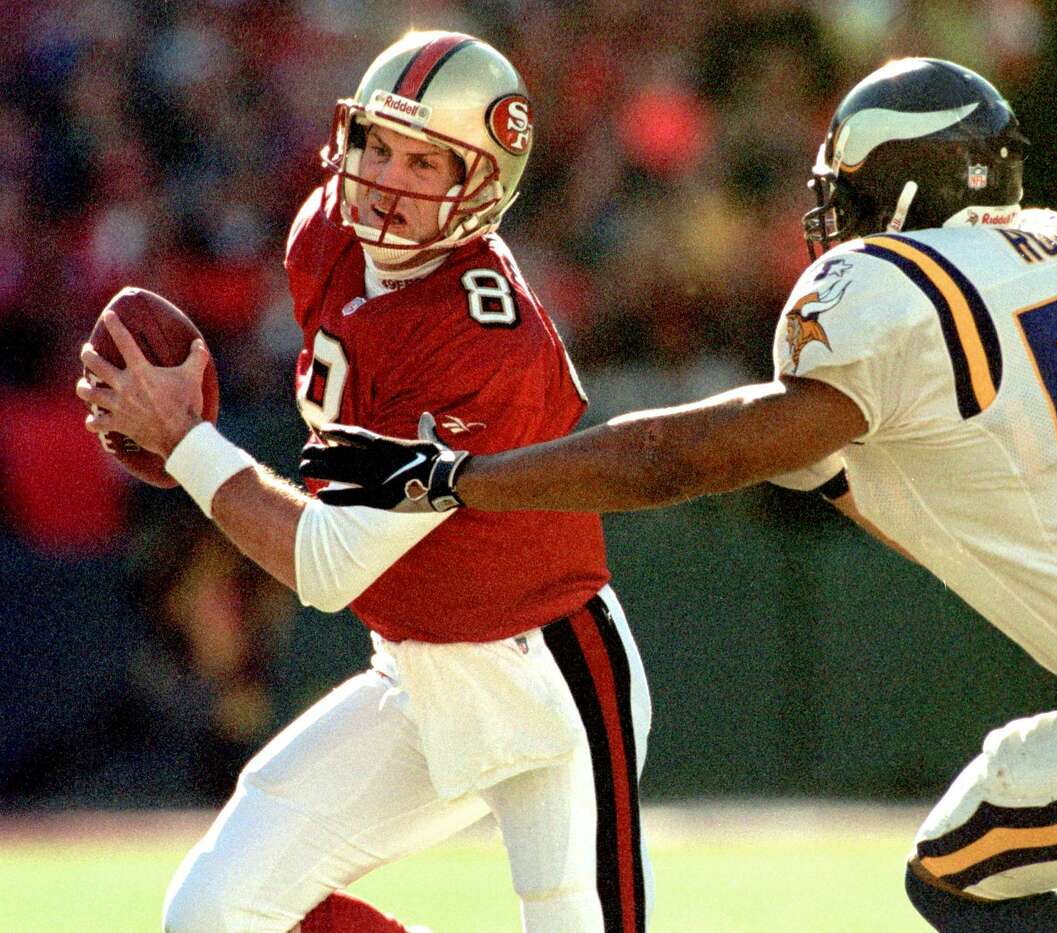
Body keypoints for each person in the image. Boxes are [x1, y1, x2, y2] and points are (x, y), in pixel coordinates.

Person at [299, 58, 1057, 931]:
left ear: (908, 189)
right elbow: (925, 490)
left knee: (962, 877)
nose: (835, 219)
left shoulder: (891, 290)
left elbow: (670, 461)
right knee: (965, 853)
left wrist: (455, 478)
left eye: (849, 191)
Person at [77, 30, 652, 933]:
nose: (385, 177)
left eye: (426, 161)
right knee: (215, 912)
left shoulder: (481, 336)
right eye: (378, 144)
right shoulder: (327, 237)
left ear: (485, 185)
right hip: (415, 668)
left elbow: (328, 564)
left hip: (545, 673)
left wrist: (186, 441)